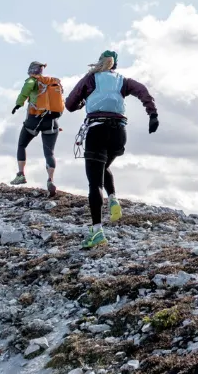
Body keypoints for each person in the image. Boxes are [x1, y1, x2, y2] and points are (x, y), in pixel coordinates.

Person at [66, 50, 159, 249]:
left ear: (100, 62)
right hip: (119, 133)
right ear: (114, 65)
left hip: (97, 129)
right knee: (104, 166)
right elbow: (142, 90)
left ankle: (97, 231)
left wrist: (83, 101)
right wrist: (152, 114)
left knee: (94, 182)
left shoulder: (90, 79)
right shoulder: (123, 80)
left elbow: (69, 104)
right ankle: (113, 198)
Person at [10, 61, 65, 196]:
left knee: (22, 144)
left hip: (34, 120)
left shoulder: (32, 81)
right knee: (49, 152)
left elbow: (25, 91)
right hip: (52, 121)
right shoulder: (52, 82)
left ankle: (21, 174)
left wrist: (18, 104)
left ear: (31, 71)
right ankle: (50, 180)